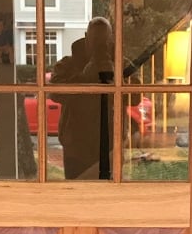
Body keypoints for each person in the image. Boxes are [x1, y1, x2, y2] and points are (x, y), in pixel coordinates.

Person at [50, 17, 138, 179]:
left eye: (104, 40)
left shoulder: (122, 64)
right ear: (86, 37)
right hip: (76, 148)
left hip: (111, 145)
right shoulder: (68, 63)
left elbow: (137, 97)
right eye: (96, 39)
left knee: (110, 199)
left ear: (111, 38)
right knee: (76, 197)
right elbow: (54, 92)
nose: (100, 45)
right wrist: (84, 78)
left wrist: (118, 81)